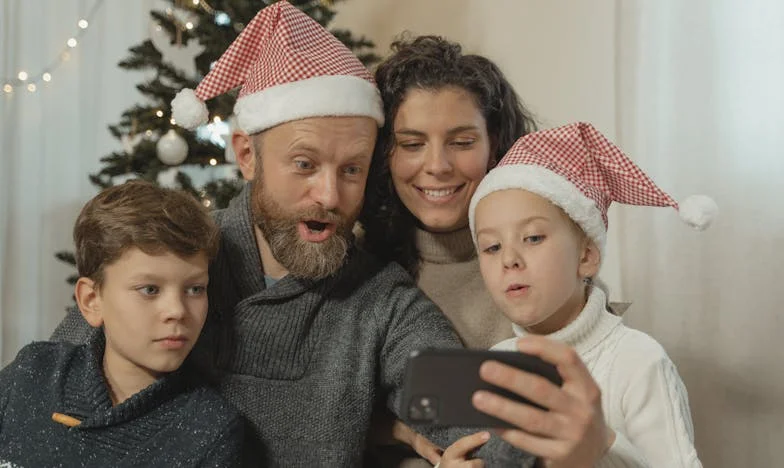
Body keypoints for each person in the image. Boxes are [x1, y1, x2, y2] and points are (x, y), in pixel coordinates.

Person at [50, 3, 535, 466]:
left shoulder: (384, 303)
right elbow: (46, 387)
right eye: (304, 164)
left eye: (352, 169)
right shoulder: (167, 259)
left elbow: (477, 421)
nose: (328, 194)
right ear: (246, 155)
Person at [451, 122, 713, 467]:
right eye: (491, 246)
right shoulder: (496, 365)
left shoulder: (638, 362)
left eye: (532, 238)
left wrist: (600, 446)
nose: (509, 259)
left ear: (587, 256)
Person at [0, 180, 243, 467]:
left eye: (194, 289)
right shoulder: (34, 371)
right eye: (150, 289)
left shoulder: (210, 431)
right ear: (91, 300)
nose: (177, 311)